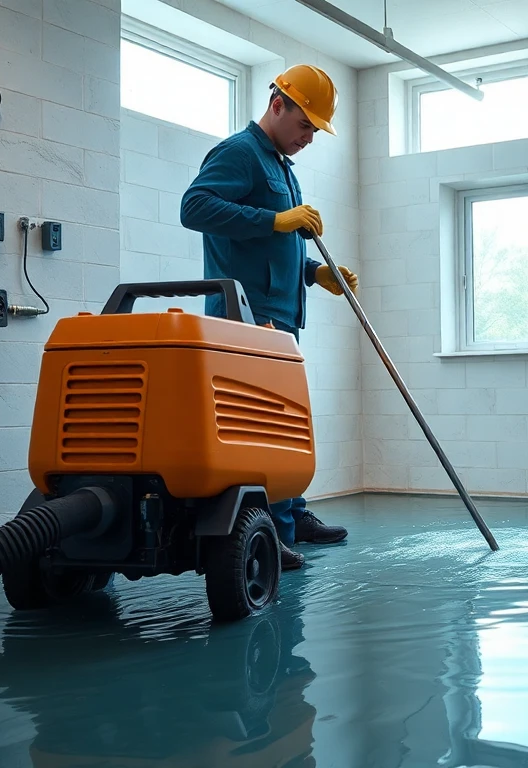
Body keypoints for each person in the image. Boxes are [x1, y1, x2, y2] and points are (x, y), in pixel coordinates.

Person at [180, 63, 357, 571]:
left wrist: (313, 272)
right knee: (260, 426)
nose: (309, 138)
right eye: (305, 125)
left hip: (278, 315)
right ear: (277, 104)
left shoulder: (281, 166)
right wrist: (274, 219)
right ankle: (269, 530)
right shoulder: (240, 153)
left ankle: (292, 513)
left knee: (284, 422)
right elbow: (195, 208)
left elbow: (271, 250)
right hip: (245, 317)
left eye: (315, 131)